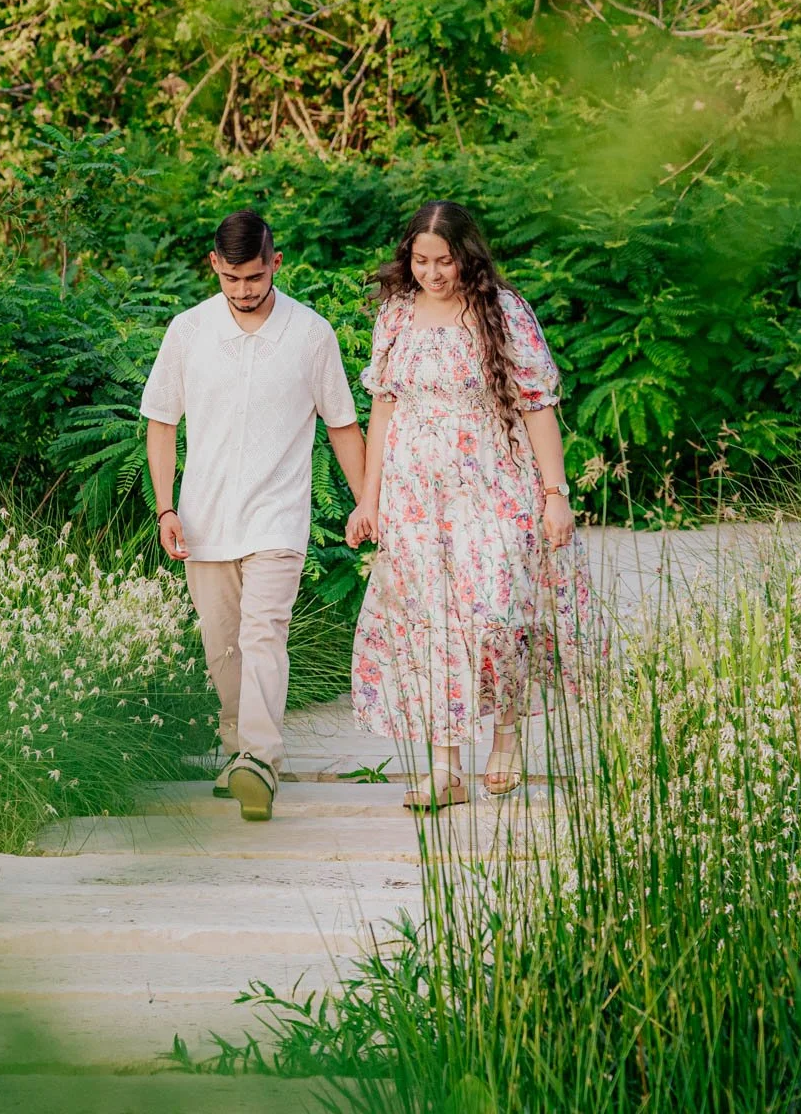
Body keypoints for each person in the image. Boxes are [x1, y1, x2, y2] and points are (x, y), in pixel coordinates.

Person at [344, 200, 600, 812]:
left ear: (468, 256)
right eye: (420, 260)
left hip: (495, 488)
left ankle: (506, 740)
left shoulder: (503, 313)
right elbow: (383, 406)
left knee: (498, 615)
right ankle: (445, 767)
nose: (432, 273)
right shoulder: (396, 315)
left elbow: (538, 406)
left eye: (444, 260)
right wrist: (368, 499)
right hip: (414, 498)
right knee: (430, 623)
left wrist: (555, 496)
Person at [142, 209, 367, 822]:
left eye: (255, 277)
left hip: (277, 518)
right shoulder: (187, 332)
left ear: (276, 264)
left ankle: (261, 763)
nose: (244, 291)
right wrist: (164, 506)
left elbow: (344, 426)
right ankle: (241, 752)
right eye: (232, 279)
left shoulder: (311, 333)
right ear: (214, 266)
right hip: (203, 518)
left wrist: (368, 503)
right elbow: (161, 424)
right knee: (224, 649)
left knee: (264, 633)